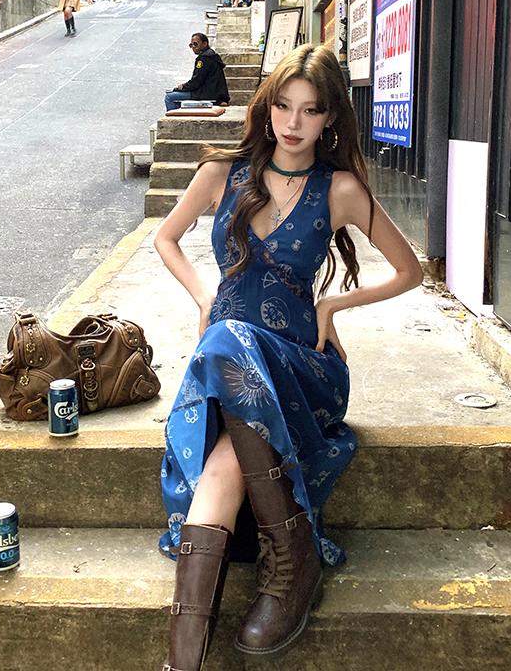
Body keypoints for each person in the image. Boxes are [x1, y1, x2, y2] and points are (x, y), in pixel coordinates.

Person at [154, 44, 423, 668]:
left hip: (303, 366)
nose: (293, 123)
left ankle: (290, 562)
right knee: (224, 452)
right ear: (267, 106)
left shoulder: (340, 189)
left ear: (330, 118)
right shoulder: (223, 173)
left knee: (226, 340)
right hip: (226, 369)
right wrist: (204, 295)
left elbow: (410, 270)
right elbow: (167, 239)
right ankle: (198, 648)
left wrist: (334, 305)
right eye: (282, 106)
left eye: (310, 110)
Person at [164, 33, 230, 111]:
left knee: (169, 97)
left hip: (206, 94)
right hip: (214, 93)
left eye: (195, 44)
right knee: (177, 99)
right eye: (191, 45)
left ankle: (174, 117)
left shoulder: (204, 59)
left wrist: (182, 87)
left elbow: (196, 81)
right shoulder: (212, 56)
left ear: (205, 43)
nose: (193, 47)